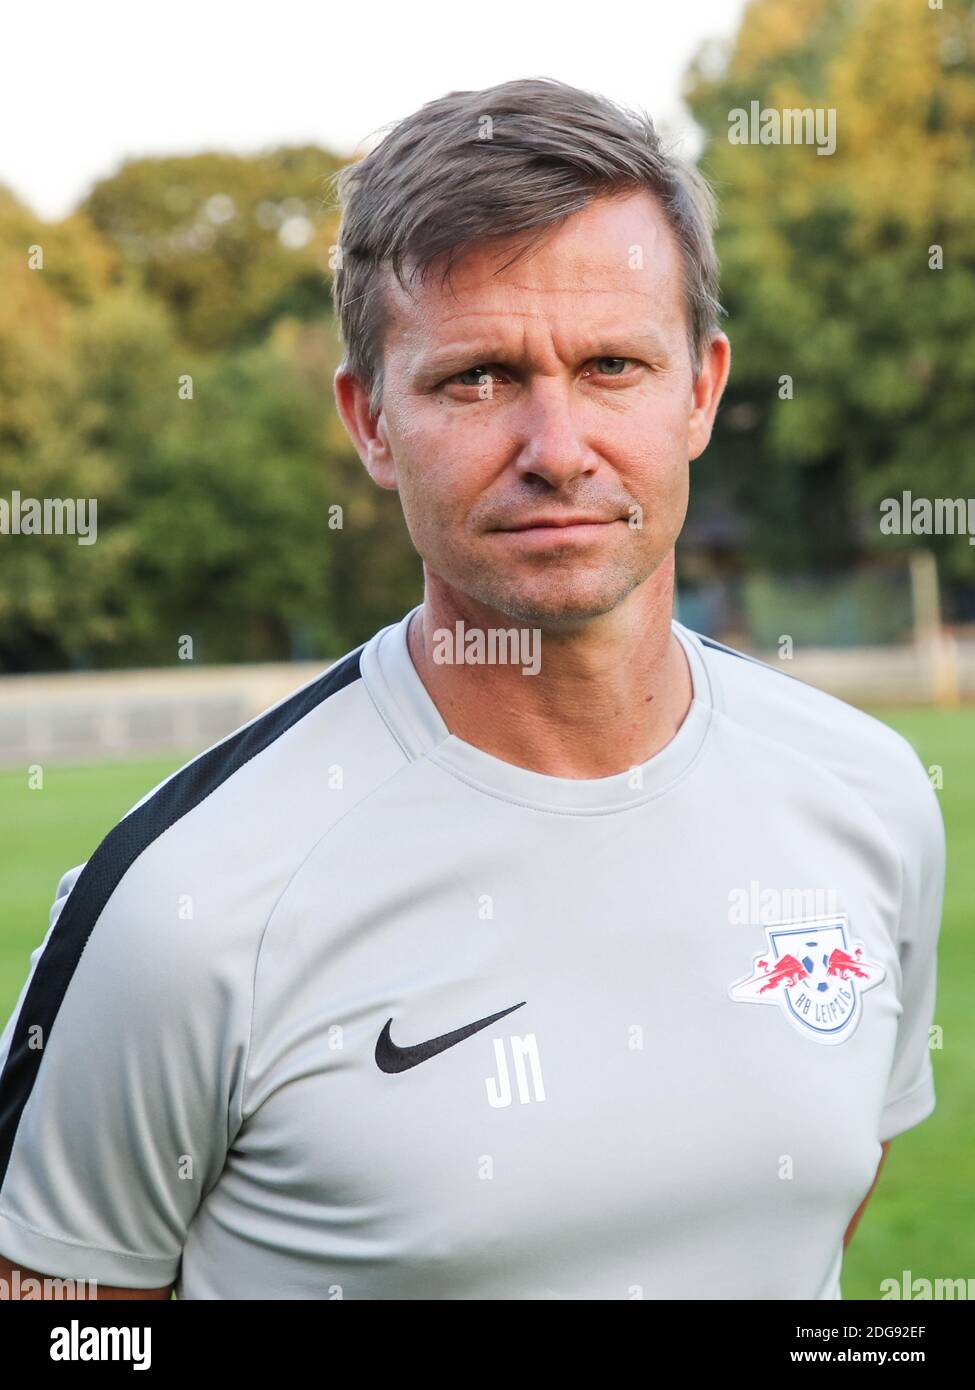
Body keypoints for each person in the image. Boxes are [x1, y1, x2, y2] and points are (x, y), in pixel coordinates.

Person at [0, 77, 944, 1301]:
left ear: (701, 389)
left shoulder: (870, 794)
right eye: (479, 378)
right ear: (372, 420)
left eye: (612, 364)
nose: (557, 449)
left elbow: (813, 1208)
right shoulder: (181, 908)